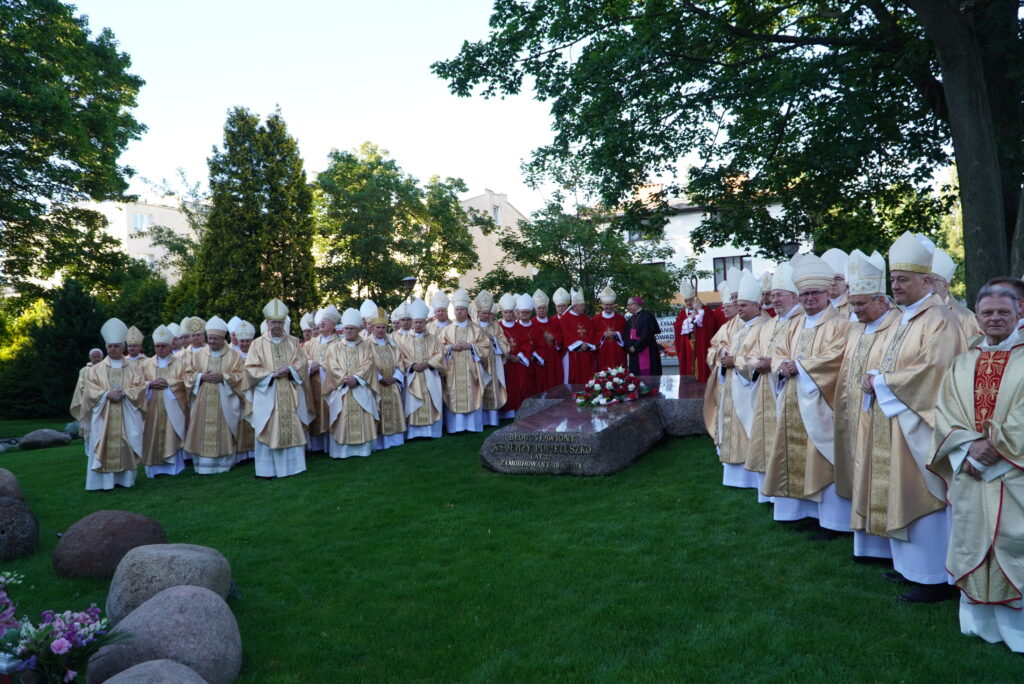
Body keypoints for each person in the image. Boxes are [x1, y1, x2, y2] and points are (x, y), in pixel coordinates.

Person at [858, 231, 966, 602]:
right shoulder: (904, 318)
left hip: (921, 422)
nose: (896, 285)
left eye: (903, 279)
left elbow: (936, 369)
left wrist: (883, 381)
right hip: (897, 418)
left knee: (924, 492)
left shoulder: (940, 318)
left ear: (926, 280)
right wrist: (874, 378)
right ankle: (909, 568)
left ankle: (936, 577)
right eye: (893, 279)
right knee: (900, 491)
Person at [931, 285, 1024, 651]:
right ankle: (978, 624)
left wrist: (995, 447)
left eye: (1004, 312)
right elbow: (945, 410)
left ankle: (1017, 630)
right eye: (988, 313)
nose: (996, 319)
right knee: (972, 540)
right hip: (969, 468)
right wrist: (968, 448)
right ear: (977, 316)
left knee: (1014, 543)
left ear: (1019, 313)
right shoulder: (964, 361)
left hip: (1014, 473)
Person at [765, 254, 849, 535]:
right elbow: (777, 353)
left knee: (822, 456)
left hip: (820, 402)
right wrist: (782, 365)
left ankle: (832, 520)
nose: (810, 298)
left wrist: (799, 366)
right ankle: (802, 512)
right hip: (791, 397)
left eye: (815, 293)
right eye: (805, 294)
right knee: (793, 452)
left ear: (827, 294)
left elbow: (838, 356)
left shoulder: (840, 323)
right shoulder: (794, 324)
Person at [833, 251, 901, 562]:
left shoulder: (898, 326)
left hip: (886, 416)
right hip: (857, 414)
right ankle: (868, 545)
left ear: (882, 301)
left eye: (861, 304)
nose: (856, 310)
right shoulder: (856, 329)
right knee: (861, 472)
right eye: (853, 304)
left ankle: (888, 547)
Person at [735, 263, 802, 501]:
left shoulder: (803, 321)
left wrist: (771, 364)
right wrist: (755, 363)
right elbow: (750, 353)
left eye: (778, 295)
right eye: (771, 296)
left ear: (794, 296)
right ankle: (770, 493)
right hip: (764, 388)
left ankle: (789, 497)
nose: (773, 300)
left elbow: (799, 359)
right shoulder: (769, 324)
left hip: (788, 390)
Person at [245, 298, 313, 479]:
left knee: (291, 424)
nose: (276, 325)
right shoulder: (257, 344)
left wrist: (290, 369)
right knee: (268, 426)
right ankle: (266, 470)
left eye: (280, 322)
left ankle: (294, 467)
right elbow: (251, 368)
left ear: (284, 323)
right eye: (273, 322)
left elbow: (302, 362)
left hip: (290, 393)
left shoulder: (293, 342)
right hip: (268, 394)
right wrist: (271, 374)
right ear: (267, 323)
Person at [718, 272, 770, 488]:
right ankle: (735, 477)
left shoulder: (766, 327)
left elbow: (763, 357)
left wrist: (736, 362)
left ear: (757, 306)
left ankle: (751, 476)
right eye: (738, 305)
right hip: (733, 384)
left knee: (748, 429)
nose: (739, 309)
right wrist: (726, 358)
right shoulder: (741, 329)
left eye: (744, 305)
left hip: (750, 388)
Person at [81, 318, 145, 491]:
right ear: (106, 347)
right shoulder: (96, 369)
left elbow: (140, 387)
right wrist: (106, 394)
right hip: (104, 415)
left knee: (127, 442)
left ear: (123, 347)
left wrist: (125, 393)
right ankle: (103, 483)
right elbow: (89, 390)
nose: (113, 349)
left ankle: (125, 480)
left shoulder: (133, 368)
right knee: (103, 443)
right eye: (110, 346)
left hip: (126, 412)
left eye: (117, 346)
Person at [182, 316, 245, 475]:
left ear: (222, 339)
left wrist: (223, 378)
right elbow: (188, 375)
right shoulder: (198, 355)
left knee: (222, 429)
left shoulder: (233, 355)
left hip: (224, 401)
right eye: (210, 338)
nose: (212, 342)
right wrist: (201, 377)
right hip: (203, 400)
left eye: (215, 339)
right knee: (201, 428)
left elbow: (240, 375)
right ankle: (202, 464)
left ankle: (223, 464)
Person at [324, 308, 379, 458]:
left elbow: (369, 363)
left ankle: (363, 450)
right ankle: (341, 452)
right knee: (342, 417)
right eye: (346, 328)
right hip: (341, 389)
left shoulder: (367, 345)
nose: (348, 331)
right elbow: (332, 366)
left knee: (363, 416)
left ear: (358, 330)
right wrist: (345, 378)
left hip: (361, 386)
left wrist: (357, 378)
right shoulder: (334, 347)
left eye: (351, 329)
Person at [439, 289, 491, 433]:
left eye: (462, 309)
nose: (460, 312)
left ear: (466, 310)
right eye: (457, 310)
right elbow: (438, 349)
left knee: (472, 393)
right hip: (453, 370)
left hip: (471, 369)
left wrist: (471, 346)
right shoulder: (446, 331)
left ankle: (473, 426)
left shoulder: (476, 329)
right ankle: (456, 427)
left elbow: (486, 345)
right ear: (454, 311)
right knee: (453, 394)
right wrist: (451, 347)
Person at [139, 325, 188, 478]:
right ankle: (153, 470)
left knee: (171, 433)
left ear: (169, 346)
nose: (160, 349)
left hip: (173, 407)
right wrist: (150, 385)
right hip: (151, 407)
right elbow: (137, 384)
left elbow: (185, 382)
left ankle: (174, 467)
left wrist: (168, 384)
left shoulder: (180, 363)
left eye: (163, 346)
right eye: (157, 346)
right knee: (150, 435)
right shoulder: (146, 364)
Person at [398, 298, 446, 439]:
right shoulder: (404, 339)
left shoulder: (433, 338)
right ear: (412, 322)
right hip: (413, 376)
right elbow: (401, 357)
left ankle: (431, 432)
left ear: (425, 322)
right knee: (413, 401)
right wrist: (413, 365)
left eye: (420, 322)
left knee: (431, 400)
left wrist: (427, 363)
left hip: (429, 374)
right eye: (415, 322)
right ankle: (414, 433)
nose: (418, 324)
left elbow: (439, 354)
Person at [305, 305, 342, 453]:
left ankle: (328, 446)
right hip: (312, 382)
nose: (321, 323)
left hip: (329, 384)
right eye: (321, 320)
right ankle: (316, 446)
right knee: (314, 409)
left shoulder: (338, 344)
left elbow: (337, 362)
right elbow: (304, 357)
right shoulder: (311, 343)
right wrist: (309, 365)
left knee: (328, 412)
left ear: (333, 326)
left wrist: (320, 366)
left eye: (326, 321)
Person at [367, 313, 406, 450]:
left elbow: (400, 362)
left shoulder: (393, 344)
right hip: (377, 385)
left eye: (383, 327)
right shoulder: (367, 345)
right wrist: (378, 377)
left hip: (392, 384)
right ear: (372, 328)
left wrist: (396, 377)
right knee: (379, 411)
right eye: (378, 327)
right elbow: (367, 364)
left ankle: (394, 441)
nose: (380, 330)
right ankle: (379, 443)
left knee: (394, 411)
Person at [474, 290, 508, 426]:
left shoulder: (496, 326)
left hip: (492, 362)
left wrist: (493, 338)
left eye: (488, 313)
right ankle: (480, 420)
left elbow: (505, 344)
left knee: (492, 388)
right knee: (478, 388)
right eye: (484, 313)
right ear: (478, 313)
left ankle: (493, 420)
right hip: (478, 363)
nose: (487, 316)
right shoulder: (473, 327)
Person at [931, 248, 982, 338]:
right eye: (922, 281)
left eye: (931, 281)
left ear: (945, 286)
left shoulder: (965, 317)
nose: (925, 287)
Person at [674, 280, 719, 382]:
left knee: (702, 370)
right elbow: (677, 326)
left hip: (702, 346)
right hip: (688, 349)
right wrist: (689, 320)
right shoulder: (682, 313)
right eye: (686, 301)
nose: (689, 303)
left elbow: (711, 324)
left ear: (695, 299)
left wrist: (700, 313)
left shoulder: (705, 310)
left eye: (690, 300)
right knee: (689, 368)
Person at [560, 288, 597, 383]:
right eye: (582, 305)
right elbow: (565, 334)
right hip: (573, 354)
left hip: (586, 352)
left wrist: (586, 344)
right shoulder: (565, 318)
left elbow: (591, 332)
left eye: (583, 305)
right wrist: (579, 344)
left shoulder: (586, 318)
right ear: (575, 306)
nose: (583, 307)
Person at [70, 348, 104, 446]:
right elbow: (82, 386)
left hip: (104, 401)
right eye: (94, 356)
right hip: (89, 403)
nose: (97, 358)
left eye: (98, 356)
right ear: (89, 358)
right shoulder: (84, 370)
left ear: (102, 357)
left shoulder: (106, 368)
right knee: (90, 427)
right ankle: (90, 450)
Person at [233, 321, 257, 463]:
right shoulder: (234, 356)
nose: (244, 344)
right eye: (242, 341)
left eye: (247, 341)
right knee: (240, 421)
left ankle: (254, 451)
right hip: (238, 393)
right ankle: (242, 452)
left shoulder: (257, 354)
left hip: (255, 392)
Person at [531, 289, 563, 391]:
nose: (541, 310)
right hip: (539, 359)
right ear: (535, 309)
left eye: (544, 308)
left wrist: (554, 338)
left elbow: (561, 337)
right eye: (539, 308)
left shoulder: (554, 322)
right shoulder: (532, 323)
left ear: (547, 309)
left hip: (553, 357)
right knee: (541, 381)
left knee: (554, 380)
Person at [624, 296, 663, 376]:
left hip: (646, 349)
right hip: (634, 352)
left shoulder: (647, 316)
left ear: (635, 304)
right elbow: (626, 335)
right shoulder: (631, 319)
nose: (628, 307)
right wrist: (629, 346)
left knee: (649, 376)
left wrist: (635, 347)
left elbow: (647, 334)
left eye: (629, 305)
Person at [593, 286, 627, 372]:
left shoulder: (621, 318)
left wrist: (616, 334)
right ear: (602, 305)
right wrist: (602, 335)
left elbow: (626, 334)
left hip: (618, 353)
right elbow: (592, 335)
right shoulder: (595, 320)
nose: (608, 306)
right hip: (602, 353)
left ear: (614, 305)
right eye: (606, 305)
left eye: (610, 304)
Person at [822, 248, 851, 317]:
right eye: (829, 278)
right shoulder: (817, 305)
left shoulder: (853, 305)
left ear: (846, 282)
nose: (833, 283)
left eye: (838, 279)